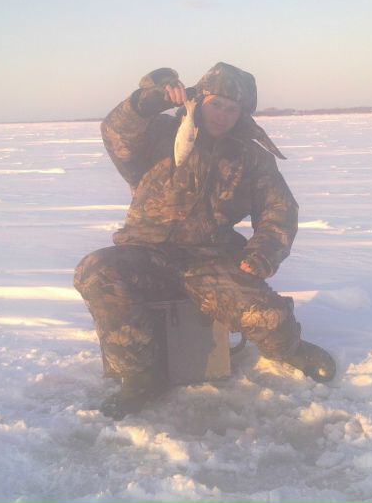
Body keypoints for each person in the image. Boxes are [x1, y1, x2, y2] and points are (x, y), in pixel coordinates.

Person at [74, 62, 336, 419]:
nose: (223, 115)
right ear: (199, 101)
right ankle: (140, 377)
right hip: (146, 252)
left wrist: (264, 252)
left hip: (209, 259)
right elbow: (116, 129)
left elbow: (279, 209)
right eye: (216, 104)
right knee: (97, 271)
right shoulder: (157, 135)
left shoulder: (250, 157)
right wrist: (148, 101)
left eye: (232, 109)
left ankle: (291, 349)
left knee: (269, 317)